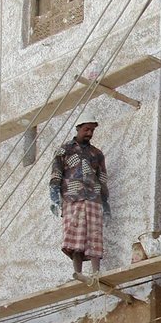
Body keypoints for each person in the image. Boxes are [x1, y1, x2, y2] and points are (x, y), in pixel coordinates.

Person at [49, 118, 110, 277]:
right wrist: (55, 198)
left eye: (92, 130)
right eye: (86, 129)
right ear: (78, 128)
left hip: (94, 198)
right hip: (72, 197)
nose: (89, 133)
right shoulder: (64, 150)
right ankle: (78, 273)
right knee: (76, 236)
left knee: (94, 234)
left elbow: (102, 178)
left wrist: (106, 204)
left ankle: (96, 273)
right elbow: (56, 175)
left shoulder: (97, 154)